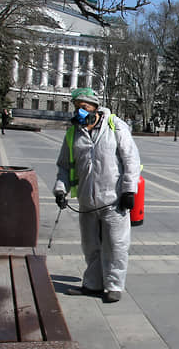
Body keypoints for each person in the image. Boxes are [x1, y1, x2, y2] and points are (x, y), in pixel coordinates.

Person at [53, 88, 141, 304]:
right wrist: (60, 190)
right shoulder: (74, 133)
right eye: (77, 108)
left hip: (114, 200)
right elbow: (64, 165)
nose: (80, 112)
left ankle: (114, 285)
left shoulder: (115, 126)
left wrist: (129, 190)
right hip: (87, 200)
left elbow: (131, 160)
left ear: (95, 107)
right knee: (90, 245)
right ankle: (92, 284)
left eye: (84, 108)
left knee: (116, 244)